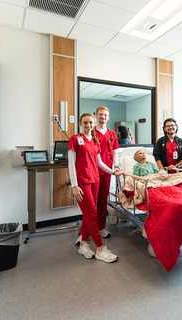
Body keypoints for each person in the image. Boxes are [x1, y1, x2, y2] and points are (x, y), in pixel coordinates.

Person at [68, 113, 122, 262]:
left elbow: (99, 162)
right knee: (92, 214)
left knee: (88, 214)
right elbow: (71, 164)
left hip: (95, 180)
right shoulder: (75, 139)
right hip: (82, 182)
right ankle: (100, 248)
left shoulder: (95, 140)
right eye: (85, 123)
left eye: (90, 122)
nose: (88, 125)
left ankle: (84, 245)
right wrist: (74, 185)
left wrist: (113, 171)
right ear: (80, 124)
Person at [94, 106, 120, 238]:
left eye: (105, 115)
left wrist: (116, 166)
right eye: (100, 115)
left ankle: (101, 227)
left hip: (107, 171)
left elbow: (115, 152)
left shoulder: (112, 134)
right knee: (92, 201)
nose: (102, 117)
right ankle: (88, 229)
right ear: (96, 116)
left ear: (108, 118)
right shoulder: (91, 132)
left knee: (103, 200)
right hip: (93, 171)